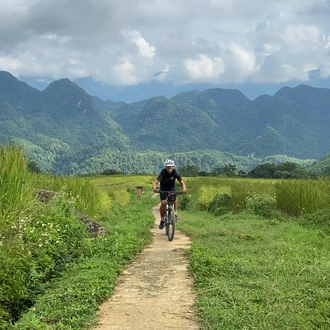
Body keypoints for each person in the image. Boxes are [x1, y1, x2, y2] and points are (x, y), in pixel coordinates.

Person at [152, 159, 186, 230]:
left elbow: (182, 183)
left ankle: (175, 214)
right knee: (163, 202)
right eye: (168, 167)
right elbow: (155, 182)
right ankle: (162, 220)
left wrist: (184, 190)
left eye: (170, 167)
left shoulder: (175, 172)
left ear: (173, 167)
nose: (169, 169)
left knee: (174, 200)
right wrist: (155, 189)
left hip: (171, 188)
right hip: (163, 189)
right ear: (166, 167)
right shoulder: (163, 172)